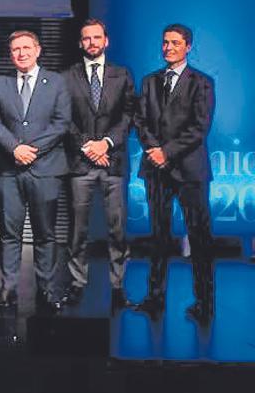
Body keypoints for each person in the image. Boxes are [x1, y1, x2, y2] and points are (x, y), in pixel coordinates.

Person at [132, 24, 215, 322]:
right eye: (165, 42)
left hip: (189, 170)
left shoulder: (201, 83)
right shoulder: (150, 81)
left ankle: (204, 302)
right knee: (158, 237)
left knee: (200, 237)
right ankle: (155, 298)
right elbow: (140, 121)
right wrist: (154, 150)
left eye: (175, 43)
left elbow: (199, 127)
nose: (168, 47)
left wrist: (167, 151)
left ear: (188, 46)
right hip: (157, 171)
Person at [0, 30, 70, 310]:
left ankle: (46, 288)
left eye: (25, 48)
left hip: (45, 169)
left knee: (45, 233)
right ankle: (8, 287)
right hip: (8, 171)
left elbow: (61, 123)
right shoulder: (0, 83)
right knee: (9, 233)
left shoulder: (57, 82)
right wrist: (15, 149)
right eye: (15, 50)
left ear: (38, 50)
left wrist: (31, 150)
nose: (21, 53)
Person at [61, 19, 134, 307]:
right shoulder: (66, 77)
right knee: (78, 230)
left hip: (112, 161)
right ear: (80, 43)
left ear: (106, 41)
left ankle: (118, 285)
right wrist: (86, 146)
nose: (92, 42)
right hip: (79, 164)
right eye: (86, 38)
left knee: (117, 229)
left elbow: (129, 115)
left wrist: (105, 143)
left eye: (97, 37)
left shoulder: (122, 74)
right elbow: (63, 118)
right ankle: (78, 282)